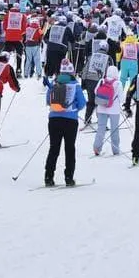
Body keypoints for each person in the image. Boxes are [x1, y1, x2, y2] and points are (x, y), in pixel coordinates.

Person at [44, 58, 86, 186]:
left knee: (54, 148)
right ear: (72, 72)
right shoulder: (75, 85)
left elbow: (48, 101)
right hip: (70, 120)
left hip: (54, 119)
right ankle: (69, 177)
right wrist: (73, 109)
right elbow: (82, 103)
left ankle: (48, 176)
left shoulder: (54, 84)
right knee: (69, 149)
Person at [92, 65, 123, 156]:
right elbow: (122, 98)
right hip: (114, 110)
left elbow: (96, 91)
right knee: (114, 129)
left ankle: (97, 148)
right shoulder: (118, 83)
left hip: (101, 108)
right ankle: (115, 149)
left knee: (101, 128)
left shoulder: (102, 81)